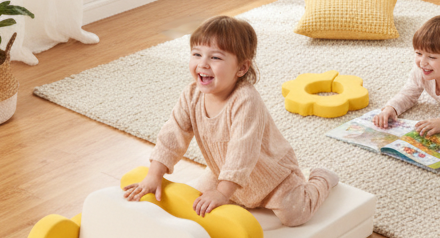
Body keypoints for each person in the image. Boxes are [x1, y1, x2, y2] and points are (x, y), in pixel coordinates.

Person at [123, 16, 338, 226]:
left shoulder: (246, 100)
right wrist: (154, 175)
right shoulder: (191, 95)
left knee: (295, 214)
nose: (203, 64)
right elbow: (173, 134)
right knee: (196, 200)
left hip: (272, 177)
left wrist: (222, 193)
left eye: (215, 58)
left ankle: (321, 178)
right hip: (223, 171)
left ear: (241, 68)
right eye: (196, 54)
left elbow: (242, 152)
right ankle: (228, 191)